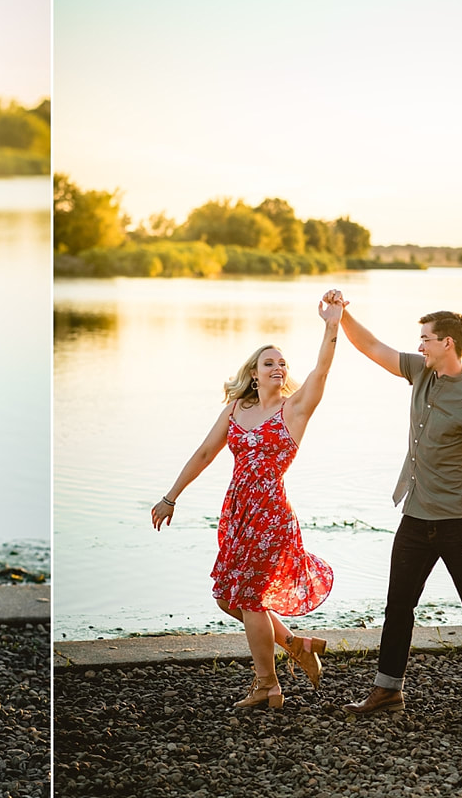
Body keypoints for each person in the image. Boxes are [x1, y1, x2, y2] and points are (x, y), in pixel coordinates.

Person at [328, 291, 462, 722]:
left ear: (448, 343)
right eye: (421, 339)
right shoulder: (421, 372)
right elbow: (373, 348)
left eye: (427, 338)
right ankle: (387, 691)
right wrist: (342, 316)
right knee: (398, 607)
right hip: (415, 517)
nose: (420, 345)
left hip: (459, 523)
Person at [151, 297, 341, 709]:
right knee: (226, 597)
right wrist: (171, 496)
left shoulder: (295, 410)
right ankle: (295, 644)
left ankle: (267, 686)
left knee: (251, 598)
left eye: (282, 364)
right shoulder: (236, 408)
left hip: (271, 513)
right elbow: (204, 453)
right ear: (254, 375)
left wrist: (332, 324)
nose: (278, 368)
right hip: (237, 511)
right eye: (268, 363)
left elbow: (322, 368)